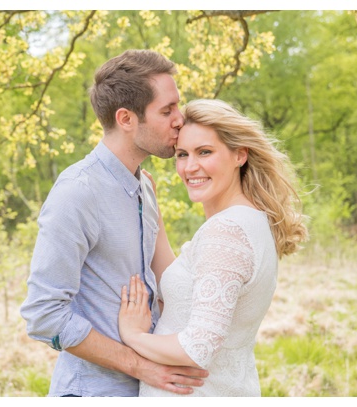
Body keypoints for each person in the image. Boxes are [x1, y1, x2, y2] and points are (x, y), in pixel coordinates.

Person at [20, 50, 208, 397]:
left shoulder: (145, 187)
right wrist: (141, 366)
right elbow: (43, 314)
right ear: (126, 118)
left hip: (150, 391)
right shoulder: (78, 192)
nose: (180, 120)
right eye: (167, 111)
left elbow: (163, 284)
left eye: (177, 107)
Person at [118, 98, 309, 396]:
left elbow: (197, 348)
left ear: (239, 155)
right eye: (182, 154)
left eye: (204, 152)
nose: (190, 167)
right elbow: (187, 291)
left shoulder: (227, 232)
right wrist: (154, 215)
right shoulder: (250, 222)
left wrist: (132, 335)